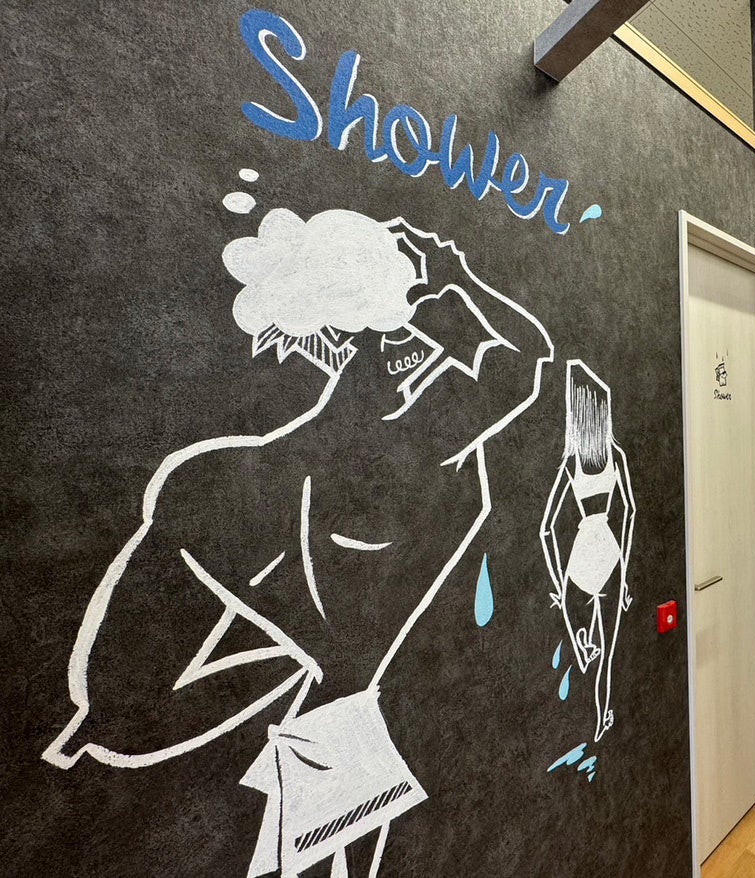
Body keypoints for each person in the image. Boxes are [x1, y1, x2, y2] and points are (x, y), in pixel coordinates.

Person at [42, 209, 554, 877]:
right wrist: (444, 283)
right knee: (315, 702)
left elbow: (528, 360)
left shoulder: (443, 410)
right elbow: (520, 359)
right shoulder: (408, 378)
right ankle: (104, 726)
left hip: (314, 558)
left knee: (330, 714)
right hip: (286, 529)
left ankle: (108, 730)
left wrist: (454, 277)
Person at [540, 360, 635, 743]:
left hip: (580, 561)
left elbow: (546, 530)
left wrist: (558, 585)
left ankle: (583, 649)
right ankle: (601, 719)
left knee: (584, 656)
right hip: (610, 556)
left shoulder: (570, 463)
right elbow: (629, 511)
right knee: (606, 656)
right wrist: (624, 574)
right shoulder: (616, 456)